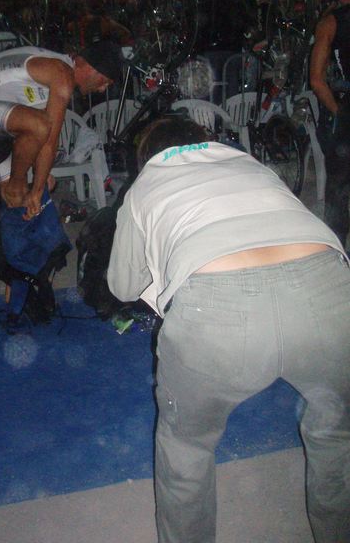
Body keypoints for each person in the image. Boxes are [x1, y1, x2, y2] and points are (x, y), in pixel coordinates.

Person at [107, 115, 350, 543]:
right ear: (206, 140)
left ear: (146, 156)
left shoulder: (145, 184)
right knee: (338, 435)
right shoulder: (249, 163)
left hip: (214, 309)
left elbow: (122, 286)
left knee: (187, 451)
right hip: (330, 288)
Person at [0, 41, 122, 219]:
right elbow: (48, 139)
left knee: (17, 200)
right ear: (85, 64)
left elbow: (39, 140)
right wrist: (37, 190)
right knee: (40, 128)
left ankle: (12, 216)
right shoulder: (61, 73)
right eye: (105, 81)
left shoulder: (55, 68)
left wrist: (42, 177)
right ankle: (16, 185)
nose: (102, 89)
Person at [310, 0, 350, 249]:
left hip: (346, 109)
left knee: (339, 184)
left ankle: (337, 250)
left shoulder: (331, 23)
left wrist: (337, 112)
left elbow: (316, 79)